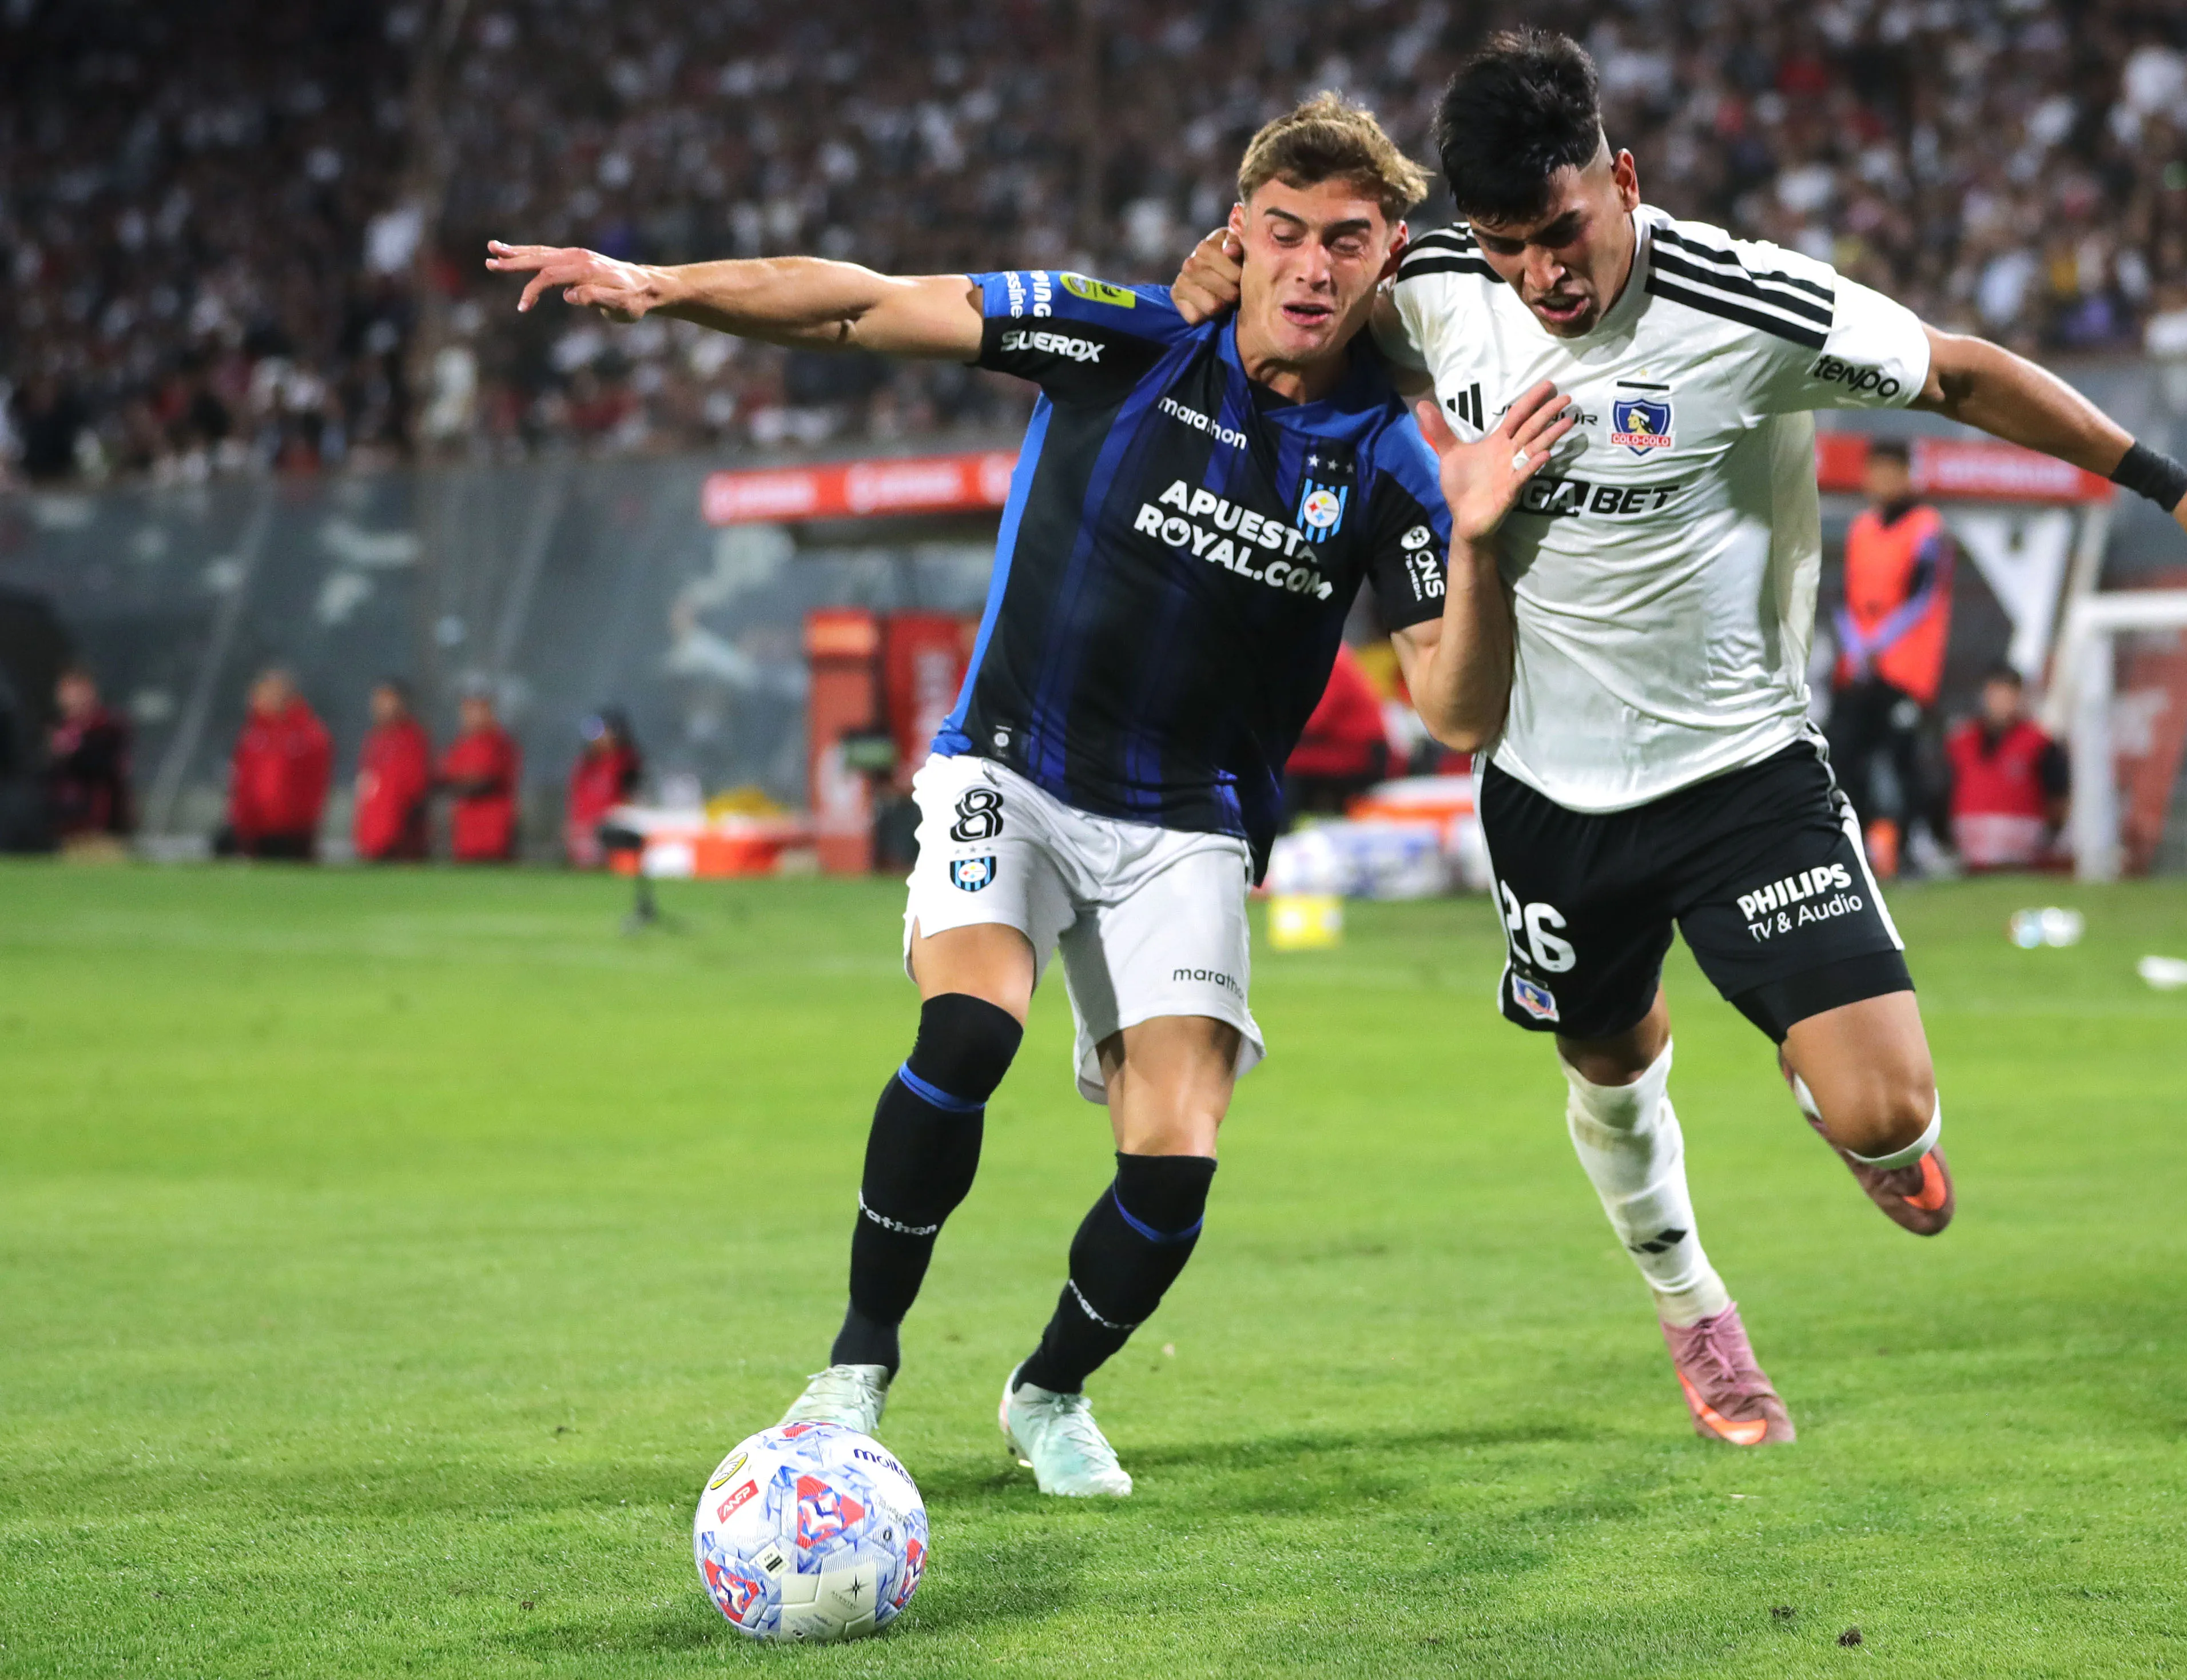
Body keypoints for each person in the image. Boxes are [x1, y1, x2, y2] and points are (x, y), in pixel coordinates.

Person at [1174, 29, 2187, 1447]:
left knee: (1889, 1114)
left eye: (1566, 232)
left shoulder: (1744, 305)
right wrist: (1205, 273)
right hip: (1544, 783)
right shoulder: (1433, 289)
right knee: (1607, 1060)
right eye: (1510, 244)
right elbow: (1284, 299)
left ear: (1624, 180)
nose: (1546, 275)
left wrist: (2169, 484)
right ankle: (1695, 1311)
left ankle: (1821, 1074)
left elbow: (1955, 372)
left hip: (1743, 774)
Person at [491, 93, 1568, 1496]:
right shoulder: (1117, 333)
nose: (1312, 266)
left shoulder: (1390, 457)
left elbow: (1458, 709)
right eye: (1286, 232)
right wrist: (663, 288)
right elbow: (865, 309)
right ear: (1236, 235)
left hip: (1188, 817)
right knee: (970, 1020)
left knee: (1174, 1160)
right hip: (1013, 760)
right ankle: (853, 1368)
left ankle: (1048, 1391)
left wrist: (1477, 547)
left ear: (1387, 256)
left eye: (1346, 240)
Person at [1828, 438, 1955, 879]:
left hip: (1905, 670)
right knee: (1842, 758)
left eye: (1888, 471)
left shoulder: (1927, 528)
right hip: (1857, 671)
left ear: (1906, 475)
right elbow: (1844, 596)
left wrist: (1876, 642)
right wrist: (1853, 645)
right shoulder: (1860, 528)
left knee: (1907, 763)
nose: (1878, 481)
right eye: (1873, 471)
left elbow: (1923, 598)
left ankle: (1915, 848)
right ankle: (1853, 851)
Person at [1945, 667, 2069, 872]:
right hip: (1970, 857)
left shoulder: (2039, 742)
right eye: (1995, 694)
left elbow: (2059, 796)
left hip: (2022, 857)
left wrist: (2048, 838)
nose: (2001, 702)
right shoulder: (1961, 740)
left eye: (2007, 695)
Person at [220, 668, 332, 861]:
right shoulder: (253, 734)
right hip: (253, 829)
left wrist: (305, 823)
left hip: (292, 831)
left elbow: (315, 784)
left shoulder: (308, 734)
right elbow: (242, 780)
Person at [1284, 640, 1393, 813]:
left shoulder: (1327, 661)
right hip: (1340, 746)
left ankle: (1278, 831)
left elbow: (1311, 723)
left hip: (1360, 753)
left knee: (1279, 765)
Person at [45, 666, 132, 851]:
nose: (71, 698)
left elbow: (107, 767)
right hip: (63, 827)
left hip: (102, 828)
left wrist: (74, 752)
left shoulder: (109, 727)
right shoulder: (59, 728)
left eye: (76, 692)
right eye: (66, 692)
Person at [351, 679, 433, 862]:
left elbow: (416, 789)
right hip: (372, 837)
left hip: (400, 841)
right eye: (378, 700)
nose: (381, 706)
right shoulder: (374, 739)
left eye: (388, 700)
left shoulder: (412, 738)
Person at [440, 692, 520, 863]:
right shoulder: (460, 745)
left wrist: (449, 785)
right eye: (467, 710)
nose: (471, 716)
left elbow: (483, 782)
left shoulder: (499, 743)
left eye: (477, 709)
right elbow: (444, 775)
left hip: (493, 835)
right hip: (465, 835)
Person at [565, 707, 643, 867]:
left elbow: (630, 800)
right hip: (581, 836)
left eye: (602, 732)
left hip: (607, 841)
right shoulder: (586, 763)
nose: (597, 739)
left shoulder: (625, 762)